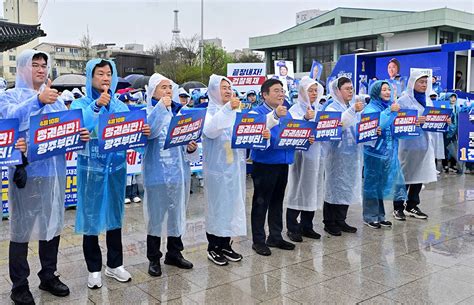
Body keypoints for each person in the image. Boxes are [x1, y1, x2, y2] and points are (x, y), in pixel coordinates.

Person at [0, 49, 89, 305]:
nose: (40, 69)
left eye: (44, 65)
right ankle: (19, 285)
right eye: (34, 65)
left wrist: (78, 138)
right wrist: (38, 100)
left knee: (52, 226)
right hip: (26, 176)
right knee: (21, 231)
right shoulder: (9, 97)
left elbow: (63, 134)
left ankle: (48, 275)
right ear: (22, 69)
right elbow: (10, 119)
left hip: (54, 176)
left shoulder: (58, 101)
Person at [70, 59, 150, 289]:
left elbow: (131, 136)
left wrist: (142, 133)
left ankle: (115, 265)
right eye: (100, 73)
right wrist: (96, 106)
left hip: (115, 168)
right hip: (91, 169)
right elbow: (78, 127)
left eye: (109, 74)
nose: (105, 78)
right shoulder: (81, 103)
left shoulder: (119, 105)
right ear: (90, 76)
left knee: (115, 216)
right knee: (91, 218)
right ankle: (93, 268)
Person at [202, 74, 272, 265]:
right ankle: (213, 247)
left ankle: (226, 244)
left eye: (229, 87)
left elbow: (247, 136)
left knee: (231, 207)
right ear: (214, 90)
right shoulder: (209, 113)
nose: (227, 91)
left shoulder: (236, 113)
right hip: (217, 171)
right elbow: (210, 130)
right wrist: (227, 109)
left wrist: (262, 133)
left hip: (234, 170)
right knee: (217, 208)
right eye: (223, 87)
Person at [142, 73, 199, 276]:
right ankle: (154, 258)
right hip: (156, 175)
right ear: (153, 92)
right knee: (155, 218)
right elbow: (152, 132)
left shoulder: (179, 113)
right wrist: (160, 108)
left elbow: (186, 144)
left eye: (169, 87)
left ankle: (174, 253)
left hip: (178, 174)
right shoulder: (147, 112)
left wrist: (191, 147)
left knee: (177, 214)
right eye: (162, 87)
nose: (167, 91)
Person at [395, 71, 450, 220]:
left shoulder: (428, 100)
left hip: (424, 144)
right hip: (407, 145)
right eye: (421, 82)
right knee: (404, 177)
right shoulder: (403, 101)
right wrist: (414, 121)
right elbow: (397, 122)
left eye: (426, 82)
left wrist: (444, 121)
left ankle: (412, 205)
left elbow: (432, 120)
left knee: (419, 175)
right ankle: (398, 207)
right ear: (413, 83)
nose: (424, 85)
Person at [250, 78, 295, 256]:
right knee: (261, 202)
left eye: (282, 90)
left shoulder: (287, 112)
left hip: (283, 161)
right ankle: (258, 240)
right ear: (265, 94)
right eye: (276, 90)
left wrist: (304, 138)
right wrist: (274, 116)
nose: (281, 94)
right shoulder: (256, 113)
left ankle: (275, 235)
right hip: (264, 163)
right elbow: (254, 135)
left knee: (277, 201)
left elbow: (292, 132)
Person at [322, 77, 364, 236]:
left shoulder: (353, 107)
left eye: (351, 88)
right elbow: (338, 125)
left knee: (347, 186)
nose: (350, 91)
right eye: (347, 88)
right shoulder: (331, 109)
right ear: (337, 90)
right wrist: (352, 110)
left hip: (352, 154)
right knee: (334, 187)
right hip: (336, 154)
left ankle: (341, 219)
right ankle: (329, 222)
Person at [362, 81, 406, 228]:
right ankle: (370, 216)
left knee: (380, 186)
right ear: (376, 92)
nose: (387, 92)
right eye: (384, 90)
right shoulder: (370, 108)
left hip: (389, 153)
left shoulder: (389, 106)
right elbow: (379, 124)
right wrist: (390, 112)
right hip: (374, 154)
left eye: (389, 89)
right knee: (372, 185)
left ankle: (380, 216)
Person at [285, 77, 323, 242]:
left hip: (315, 156)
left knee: (312, 189)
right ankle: (292, 227)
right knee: (297, 189)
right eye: (310, 90)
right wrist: (306, 120)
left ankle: (307, 225)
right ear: (302, 91)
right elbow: (291, 129)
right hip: (300, 157)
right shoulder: (294, 110)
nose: (314, 94)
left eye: (316, 90)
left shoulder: (319, 108)